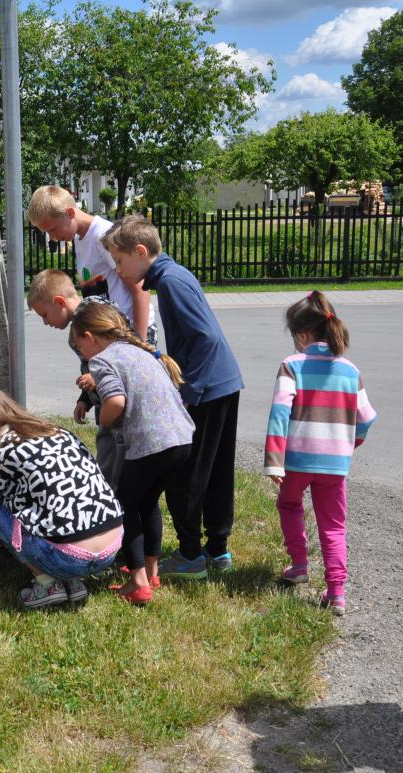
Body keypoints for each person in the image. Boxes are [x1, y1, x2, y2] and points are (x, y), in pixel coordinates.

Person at [102, 215, 243, 580]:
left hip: (208, 388)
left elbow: (205, 339)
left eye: (119, 261)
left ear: (141, 251)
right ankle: (218, 549)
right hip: (224, 383)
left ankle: (191, 556)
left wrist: (188, 393)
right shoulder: (174, 275)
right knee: (216, 472)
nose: (117, 270)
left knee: (188, 476)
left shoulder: (172, 283)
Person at [71, 301, 194, 605]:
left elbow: (115, 402)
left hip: (152, 444)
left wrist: (103, 420)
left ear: (89, 337)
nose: (82, 355)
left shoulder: (102, 361)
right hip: (182, 439)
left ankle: (138, 583)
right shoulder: (142, 351)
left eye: (79, 346)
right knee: (148, 502)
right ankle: (151, 571)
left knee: (124, 504)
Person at [0, 386, 123, 610]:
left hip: (69, 557)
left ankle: (47, 584)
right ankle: (72, 582)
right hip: (111, 546)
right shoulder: (57, 432)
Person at [265, 291, 377, 616]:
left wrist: (274, 460)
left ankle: (299, 563)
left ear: (302, 335)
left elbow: (279, 414)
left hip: (297, 459)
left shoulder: (292, 365)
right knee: (333, 524)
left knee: (289, 504)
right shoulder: (350, 370)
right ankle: (337, 592)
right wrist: (350, 442)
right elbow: (366, 418)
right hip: (335, 464)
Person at [25, 269, 123, 484]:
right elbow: (91, 366)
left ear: (59, 302)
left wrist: (97, 379)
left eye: (44, 315)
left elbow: (118, 356)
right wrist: (85, 399)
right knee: (109, 464)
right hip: (104, 407)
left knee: (117, 471)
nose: (45, 322)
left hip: (117, 409)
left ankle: (114, 507)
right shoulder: (79, 325)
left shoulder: (93, 316)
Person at [27, 185, 153, 343]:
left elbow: (140, 289)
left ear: (70, 213)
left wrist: (140, 341)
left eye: (52, 229)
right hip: (114, 334)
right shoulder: (80, 240)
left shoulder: (103, 236)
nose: (52, 237)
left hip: (131, 334)